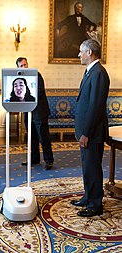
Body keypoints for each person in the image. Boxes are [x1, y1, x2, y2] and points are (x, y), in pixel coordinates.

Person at [71, 39, 110, 217]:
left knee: (93, 167)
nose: (79, 55)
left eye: (81, 51)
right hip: (87, 132)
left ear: (90, 53)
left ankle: (95, 204)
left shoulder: (98, 73)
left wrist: (86, 133)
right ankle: (88, 196)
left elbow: (95, 106)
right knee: (87, 166)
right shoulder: (91, 72)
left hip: (92, 133)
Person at [16, 57, 54, 170]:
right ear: (18, 67)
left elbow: (40, 91)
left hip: (39, 111)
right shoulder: (19, 78)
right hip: (28, 111)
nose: (24, 67)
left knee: (44, 137)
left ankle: (49, 160)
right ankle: (34, 159)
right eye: (21, 66)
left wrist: (25, 95)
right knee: (31, 137)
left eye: (25, 64)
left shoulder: (36, 75)